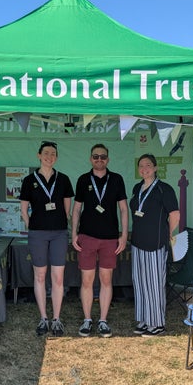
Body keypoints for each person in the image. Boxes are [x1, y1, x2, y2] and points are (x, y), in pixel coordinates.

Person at [71, 144, 129, 338]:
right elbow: (76, 209)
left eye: (103, 156)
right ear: (90, 159)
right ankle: (87, 320)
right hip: (87, 237)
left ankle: (103, 321)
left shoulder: (117, 179)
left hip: (110, 238)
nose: (99, 159)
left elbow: (123, 209)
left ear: (108, 159)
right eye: (95, 156)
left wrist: (124, 234)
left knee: (106, 280)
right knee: (86, 281)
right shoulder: (82, 179)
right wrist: (73, 234)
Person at [20, 141, 74, 337]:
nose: (49, 156)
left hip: (59, 233)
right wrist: (32, 225)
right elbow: (24, 209)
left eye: (53, 154)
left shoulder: (64, 179)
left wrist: (58, 221)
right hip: (37, 234)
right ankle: (43, 317)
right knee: (40, 276)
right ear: (39, 155)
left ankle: (56, 318)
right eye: (46, 153)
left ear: (56, 158)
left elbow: (67, 208)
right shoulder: (29, 180)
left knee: (58, 277)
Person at [129, 153, 180, 336]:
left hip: (156, 244)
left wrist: (167, 233)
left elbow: (174, 215)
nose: (145, 168)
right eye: (141, 165)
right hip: (137, 242)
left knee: (154, 284)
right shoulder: (137, 188)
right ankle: (144, 319)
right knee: (140, 282)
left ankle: (157, 323)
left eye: (148, 165)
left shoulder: (164, 189)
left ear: (155, 168)